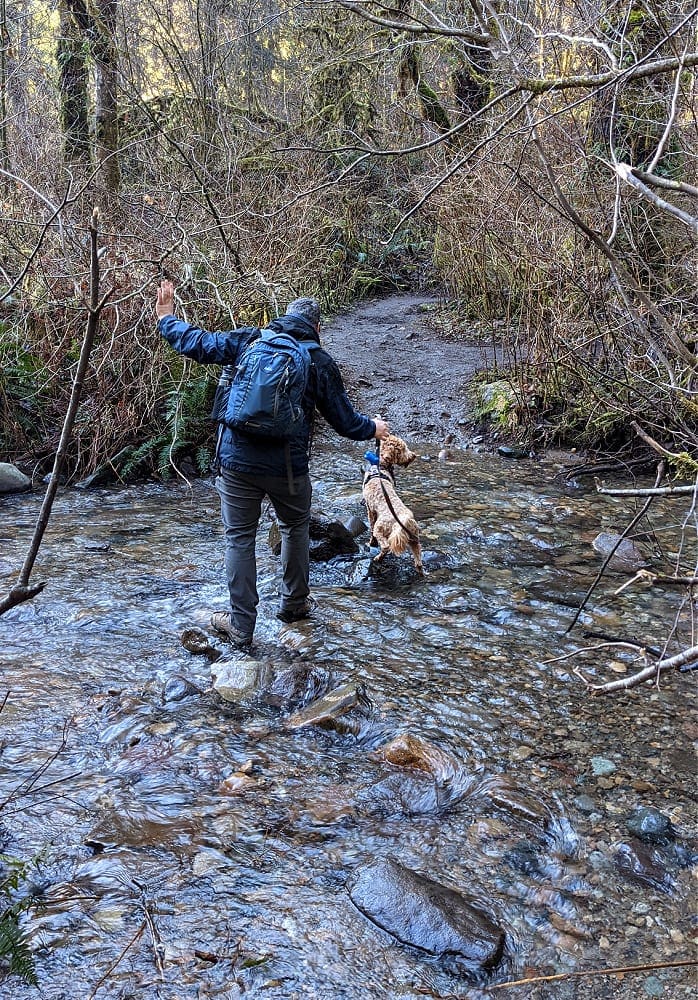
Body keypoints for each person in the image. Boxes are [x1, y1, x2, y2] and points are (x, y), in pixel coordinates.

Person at [155, 279, 389, 647]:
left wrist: (166, 316)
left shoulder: (250, 340)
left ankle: (241, 626)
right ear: (317, 328)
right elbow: (345, 422)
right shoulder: (318, 360)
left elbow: (197, 343)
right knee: (295, 528)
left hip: (235, 464)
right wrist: (374, 428)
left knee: (239, 538)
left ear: (284, 318)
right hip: (287, 468)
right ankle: (294, 605)